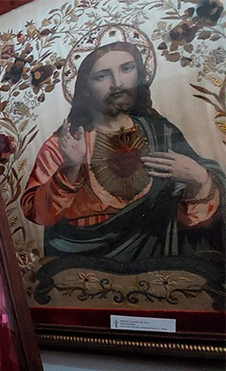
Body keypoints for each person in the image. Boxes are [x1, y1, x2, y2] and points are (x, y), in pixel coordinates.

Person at [21, 29, 225, 268]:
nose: (117, 84)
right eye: (102, 76)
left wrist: (199, 179)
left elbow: (197, 218)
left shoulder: (162, 133)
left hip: (162, 268)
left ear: (139, 73)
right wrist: (70, 168)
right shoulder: (63, 144)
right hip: (83, 268)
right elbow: (38, 214)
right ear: (85, 88)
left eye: (127, 69)